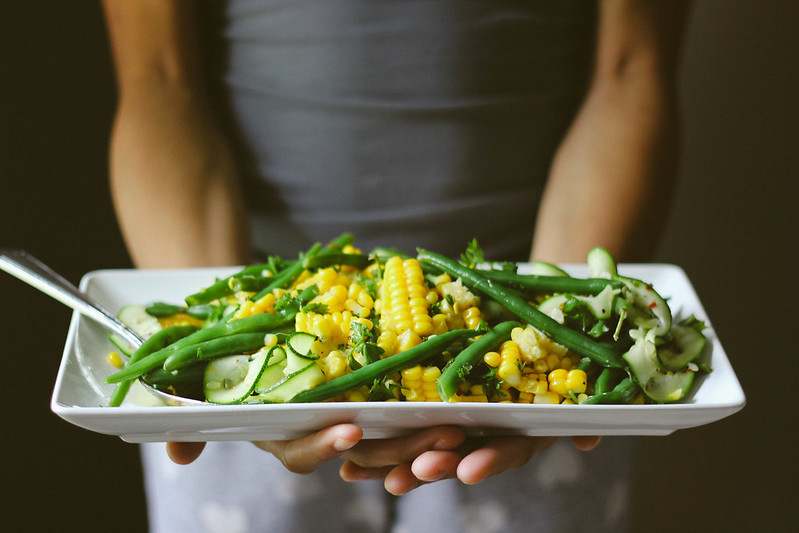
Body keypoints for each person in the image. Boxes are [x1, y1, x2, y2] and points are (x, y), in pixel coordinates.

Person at [102, 1, 689, 531]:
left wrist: (555, 336)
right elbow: (158, 80)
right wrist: (228, 380)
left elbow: (629, 72)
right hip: (254, 336)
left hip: (531, 327)